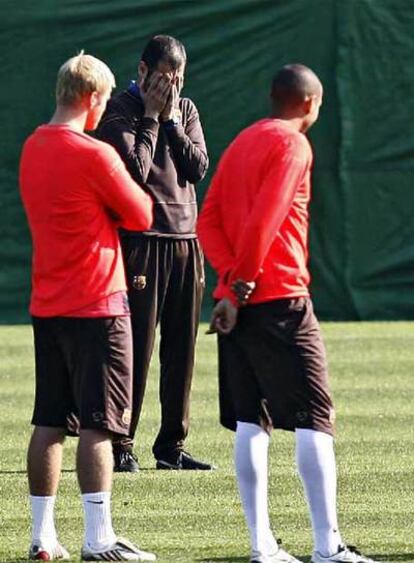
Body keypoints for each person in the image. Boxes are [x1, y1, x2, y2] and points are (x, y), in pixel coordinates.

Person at [197, 65, 378, 563]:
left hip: (236, 304)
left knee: (251, 423)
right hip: (277, 299)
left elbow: (206, 220)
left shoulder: (242, 141)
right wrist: (240, 285)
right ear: (309, 103)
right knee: (316, 419)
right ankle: (327, 546)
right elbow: (267, 217)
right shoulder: (294, 144)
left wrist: (229, 284)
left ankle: (262, 546)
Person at [20, 52, 157, 561]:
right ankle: (98, 537)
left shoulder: (32, 146)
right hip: (97, 303)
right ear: (94, 98)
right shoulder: (93, 153)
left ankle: (41, 536)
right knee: (101, 423)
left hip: (48, 303)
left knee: (50, 420)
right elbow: (141, 212)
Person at [96, 34, 213, 472]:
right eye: (164, 78)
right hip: (142, 242)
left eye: (178, 79)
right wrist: (150, 116)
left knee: (181, 349)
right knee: (137, 347)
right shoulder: (119, 111)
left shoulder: (185, 110)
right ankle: (121, 443)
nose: (171, 89)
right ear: (143, 72)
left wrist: (171, 121)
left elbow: (197, 167)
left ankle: (171, 446)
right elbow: (136, 172)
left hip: (186, 241)